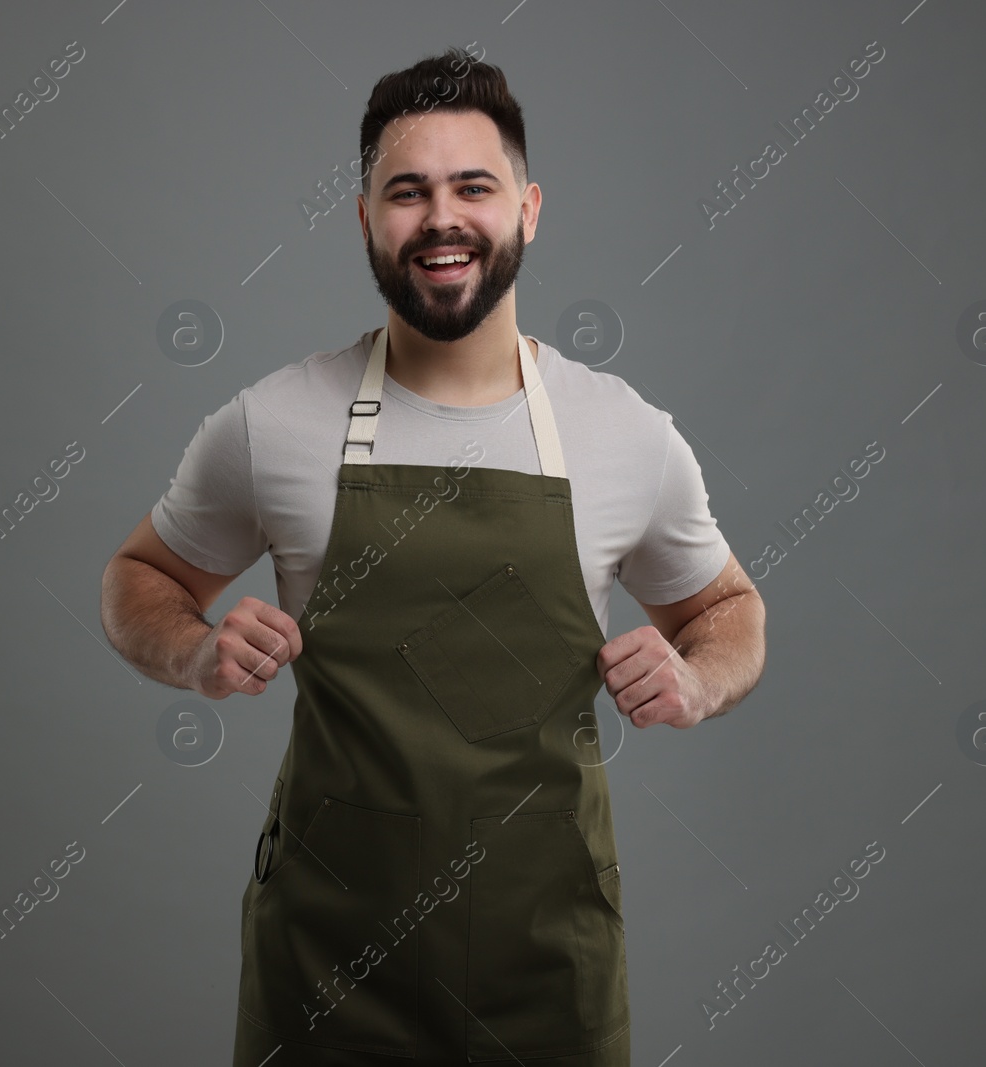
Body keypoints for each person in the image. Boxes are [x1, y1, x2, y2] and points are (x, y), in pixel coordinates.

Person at [100, 45, 766, 1067]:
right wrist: (194, 653)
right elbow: (139, 578)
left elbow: (727, 607)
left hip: (548, 965)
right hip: (328, 965)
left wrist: (697, 675)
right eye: (406, 192)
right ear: (365, 219)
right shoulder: (271, 423)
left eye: (473, 187)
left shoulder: (623, 433)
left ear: (528, 209)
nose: (440, 218)